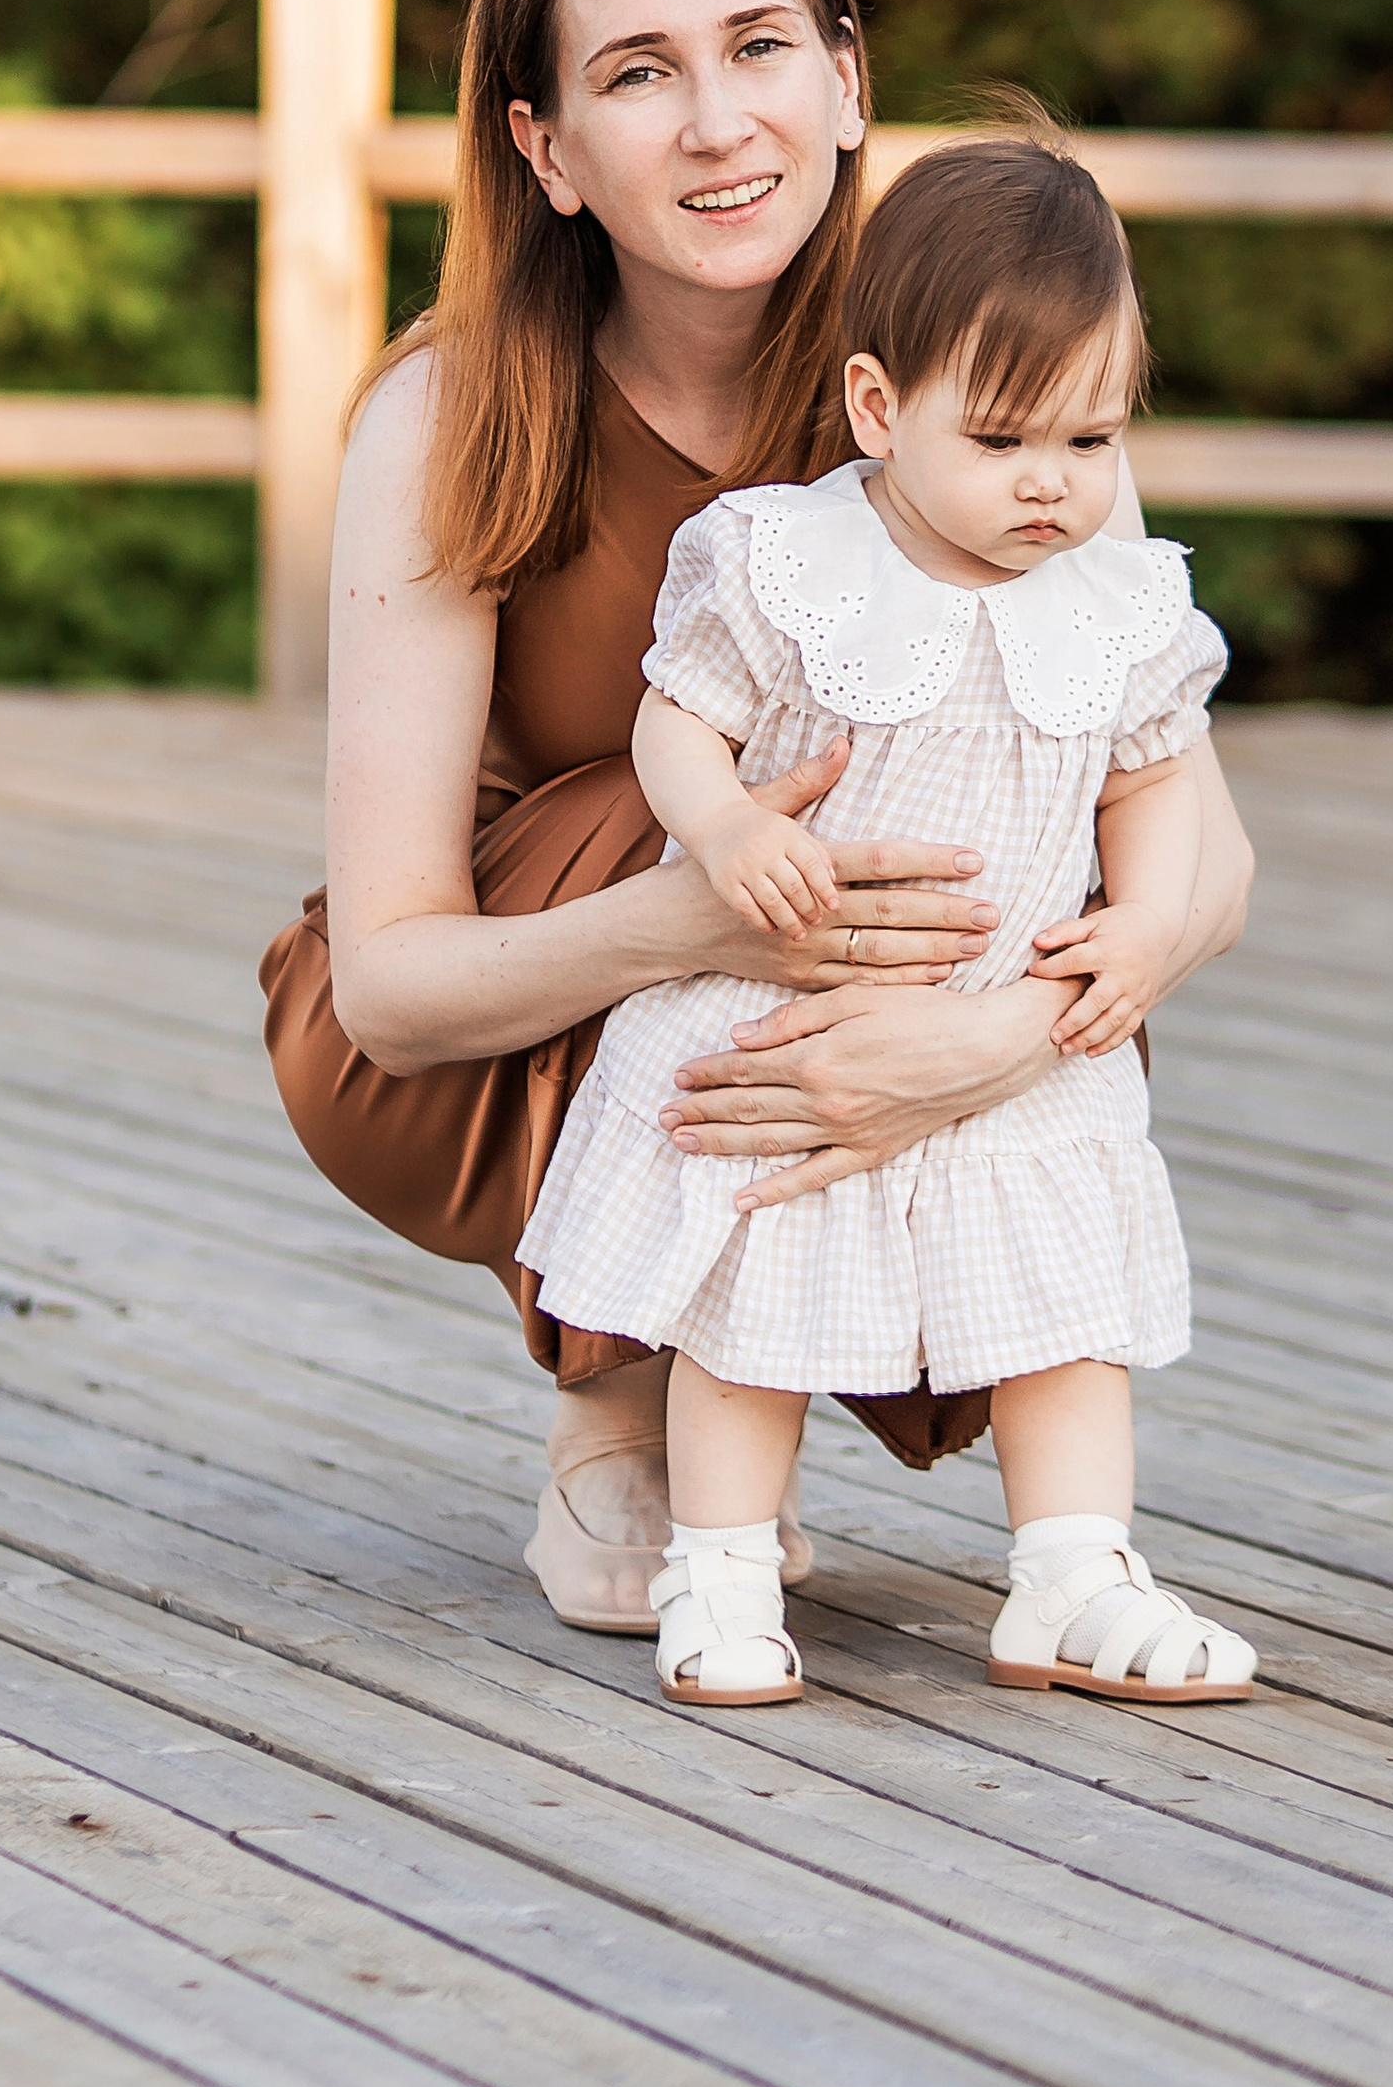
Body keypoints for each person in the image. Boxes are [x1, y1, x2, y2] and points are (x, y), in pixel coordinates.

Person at [260, 0, 1253, 1631]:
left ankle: (1041, 1532)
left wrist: (993, 1043)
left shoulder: (986, 363)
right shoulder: (448, 415)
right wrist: (694, 916)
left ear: (849, 81)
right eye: (639, 73)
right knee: (688, 793)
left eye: (760, 46)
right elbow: (392, 989)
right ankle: (615, 1410)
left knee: (1036, 844)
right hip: (487, 1031)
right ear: (547, 150)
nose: (719, 122)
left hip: (897, 967)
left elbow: (1203, 863)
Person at [519, 116, 1257, 1706]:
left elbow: (1156, 788)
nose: (1051, 483)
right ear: (878, 407)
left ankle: (1072, 1574)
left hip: (1006, 1029)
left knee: (1065, 1321)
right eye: (1000, 439)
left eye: (1091, 439)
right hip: (786, 1010)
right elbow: (676, 721)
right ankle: (719, 1567)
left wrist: (1144, 924)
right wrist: (722, 824)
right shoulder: (794, 564)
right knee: (751, 1302)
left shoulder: (1120, 605)